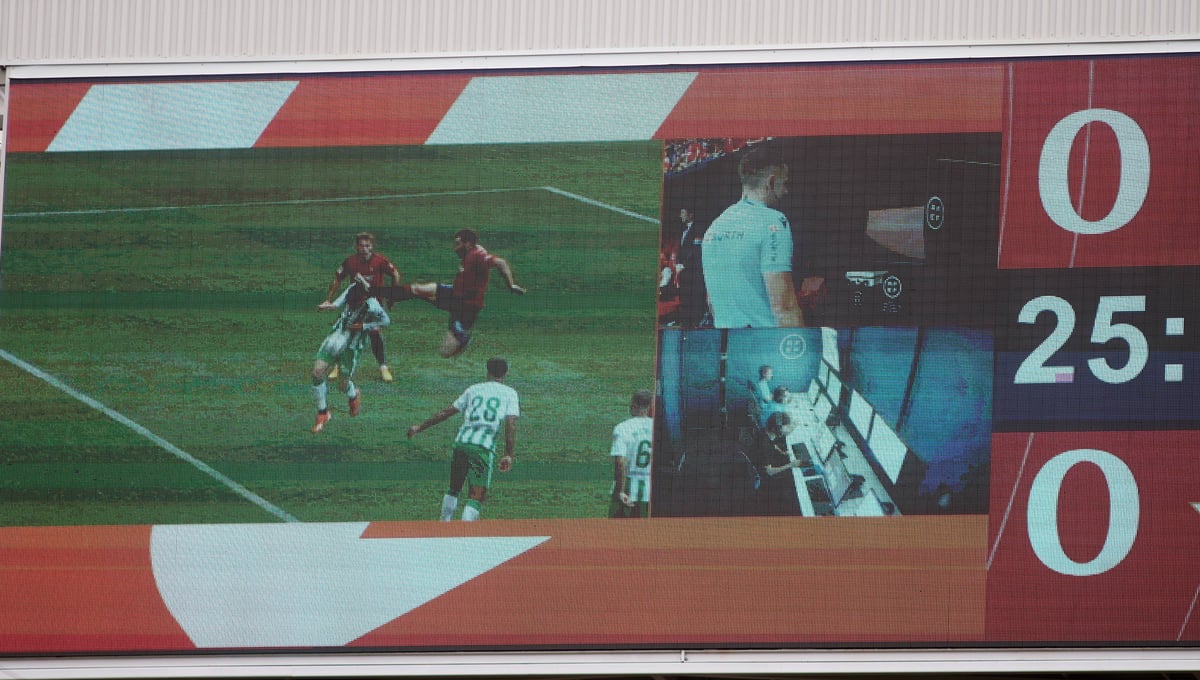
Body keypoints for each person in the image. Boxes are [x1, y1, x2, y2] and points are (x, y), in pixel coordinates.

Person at [701, 146, 803, 328]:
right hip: (766, 342)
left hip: (728, 341)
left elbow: (711, 302)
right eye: (784, 183)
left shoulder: (714, 227)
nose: (786, 191)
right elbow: (784, 306)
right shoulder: (773, 222)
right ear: (771, 182)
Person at [406, 357, 520, 521]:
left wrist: (420, 427)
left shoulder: (474, 389)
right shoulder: (510, 393)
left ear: (487, 371)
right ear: (506, 373)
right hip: (483, 448)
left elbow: (446, 412)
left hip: (462, 443)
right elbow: (511, 424)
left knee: (454, 488)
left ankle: (443, 525)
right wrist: (508, 454)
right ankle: (465, 530)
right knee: (476, 497)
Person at [384, 229, 525, 358]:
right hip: (454, 294)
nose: (455, 248)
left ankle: (464, 338)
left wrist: (511, 285)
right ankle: (390, 296)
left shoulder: (478, 255)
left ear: (467, 244)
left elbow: (501, 263)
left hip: (468, 307)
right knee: (418, 289)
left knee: (445, 352)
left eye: (458, 244)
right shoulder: (469, 254)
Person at [310, 274, 391, 433]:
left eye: (356, 304)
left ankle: (353, 395)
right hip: (336, 336)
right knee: (317, 372)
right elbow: (337, 303)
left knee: (343, 385)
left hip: (352, 348)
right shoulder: (352, 289)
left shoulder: (373, 305)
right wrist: (329, 306)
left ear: (364, 299)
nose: (352, 306)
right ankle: (323, 413)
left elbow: (386, 321)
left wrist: (364, 326)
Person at [323, 232, 403, 382]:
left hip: (373, 305)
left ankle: (383, 367)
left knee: (374, 332)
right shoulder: (350, 262)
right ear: (356, 247)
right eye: (361, 245)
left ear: (372, 247)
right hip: (355, 305)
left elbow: (395, 274)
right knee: (347, 333)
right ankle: (338, 366)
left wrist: (392, 296)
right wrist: (329, 299)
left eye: (367, 246)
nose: (364, 249)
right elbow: (337, 279)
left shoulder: (380, 261)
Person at [609, 389, 654, 518]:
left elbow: (621, 462)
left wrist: (619, 490)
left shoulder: (623, 428)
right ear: (650, 406)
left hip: (628, 489)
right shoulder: (657, 427)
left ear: (633, 405)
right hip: (648, 491)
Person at [748, 411, 804, 516]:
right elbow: (770, 472)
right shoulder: (765, 448)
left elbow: (773, 444)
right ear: (777, 429)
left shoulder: (765, 432)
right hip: (765, 476)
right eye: (785, 427)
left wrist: (782, 452)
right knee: (794, 478)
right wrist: (791, 465)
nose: (787, 429)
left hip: (762, 461)